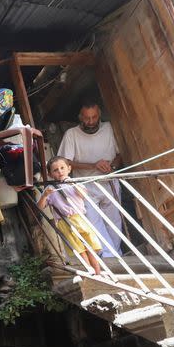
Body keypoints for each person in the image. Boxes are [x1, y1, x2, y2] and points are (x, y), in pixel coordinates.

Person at [57, 99, 123, 258]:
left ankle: (117, 254)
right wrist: (94, 165)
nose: (91, 121)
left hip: (110, 182)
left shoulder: (109, 128)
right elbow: (65, 162)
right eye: (87, 118)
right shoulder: (72, 134)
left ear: (99, 114)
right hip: (86, 186)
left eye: (94, 117)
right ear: (80, 117)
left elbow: (121, 154)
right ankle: (108, 257)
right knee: (94, 222)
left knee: (115, 221)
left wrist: (112, 166)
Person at [39, 156, 102, 275]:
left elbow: (83, 194)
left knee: (90, 248)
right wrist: (45, 195)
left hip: (80, 219)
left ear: (69, 169)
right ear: (50, 174)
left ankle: (98, 272)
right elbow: (40, 207)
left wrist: (72, 183)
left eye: (62, 168)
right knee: (80, 250)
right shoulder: (50, 189)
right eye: (55, 170)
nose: (60, 172)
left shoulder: (73, 183)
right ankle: (90, 273)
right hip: (66, 222)